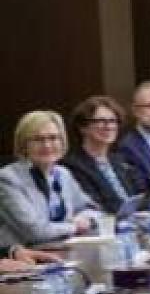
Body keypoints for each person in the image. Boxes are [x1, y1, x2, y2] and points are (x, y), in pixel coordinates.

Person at [0, 111, 90, 269]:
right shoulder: (8, 178)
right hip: (24, 262)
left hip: (64, 254)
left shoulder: (63, 173)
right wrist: (74, 226)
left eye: (53, 138)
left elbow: (90, 208)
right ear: (23, 144)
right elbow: (35, 231)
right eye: (38, 139)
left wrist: (84, 217)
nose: (47, 145)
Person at [62, 96, 150, 212]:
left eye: (113, 121)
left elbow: (141, 193)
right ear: (82, 127)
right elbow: (99, 207)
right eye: (101, 121)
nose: (109, 126)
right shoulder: (72, 165)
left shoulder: (119, 160)